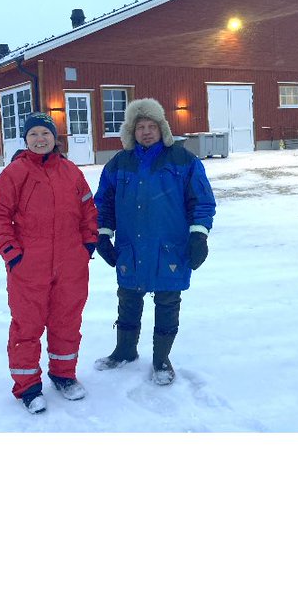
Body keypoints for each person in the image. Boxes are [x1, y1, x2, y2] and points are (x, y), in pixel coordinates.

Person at [94, 97, 216, 384]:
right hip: (131, 246)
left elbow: (202, 201)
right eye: (140, 127)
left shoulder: (183, 160)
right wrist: (102, 234)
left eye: (151, 126)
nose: (146, 132)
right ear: (131, 132)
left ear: (162, 129)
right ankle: (124, 351)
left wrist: (199, 235)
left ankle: (162, 359)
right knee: (128, 299)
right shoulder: (119, 163)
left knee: (167, 300)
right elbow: (104, 202)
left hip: (170, 246)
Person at [0, 112, 98, 414]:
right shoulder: (15, 173)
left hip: (71, 264)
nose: (40, 139)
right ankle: (28, 387)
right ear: (25, 140)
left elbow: (89, 209)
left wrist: (87, 245)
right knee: (27, 326)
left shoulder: (71, 172)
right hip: (28, 267)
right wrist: (12, 253)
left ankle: (64, 375)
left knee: (67, 322)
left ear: (54, 138)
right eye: (34, 134)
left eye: (45, 134)